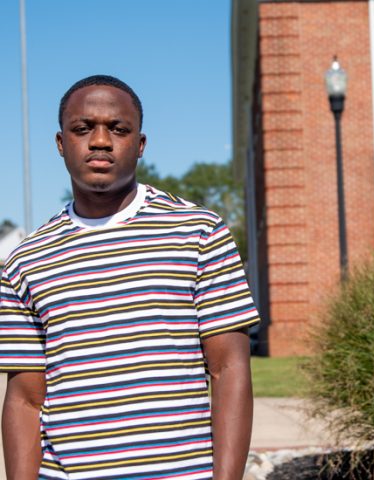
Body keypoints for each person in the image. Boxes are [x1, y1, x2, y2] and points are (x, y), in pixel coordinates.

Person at [0, 75, 259, 479]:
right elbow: (24, 400)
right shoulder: (26, 259)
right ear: (60, 143)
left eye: (118, 129)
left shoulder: (198, 232)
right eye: (82, 128)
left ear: (139, 145)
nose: (100, 140)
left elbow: (229, 368)